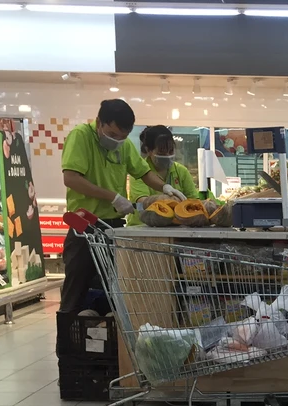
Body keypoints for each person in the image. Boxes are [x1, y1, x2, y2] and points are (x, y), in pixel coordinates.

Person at [59, 99, 186, 313]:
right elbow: (71, 178)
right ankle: (69, 331)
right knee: (76, 287)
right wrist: (113, 197)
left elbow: (143, 172)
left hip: (113, 227)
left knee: (116, 290)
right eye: (112, 134)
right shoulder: (80, 136)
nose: (117, 140)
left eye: (123, 136)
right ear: (99, 122)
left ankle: (110, 330)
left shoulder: (124, 146)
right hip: (85, 226)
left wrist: (165, 187)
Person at [126, 125, 210, 226]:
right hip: (141, 228)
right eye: (161, 152)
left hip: (175, 227)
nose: (167, 155)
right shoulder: (140, 172)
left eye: (171, 151)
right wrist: (168, 200)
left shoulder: (181, 171)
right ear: (149, 150)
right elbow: (142, 202)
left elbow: (194, 201)